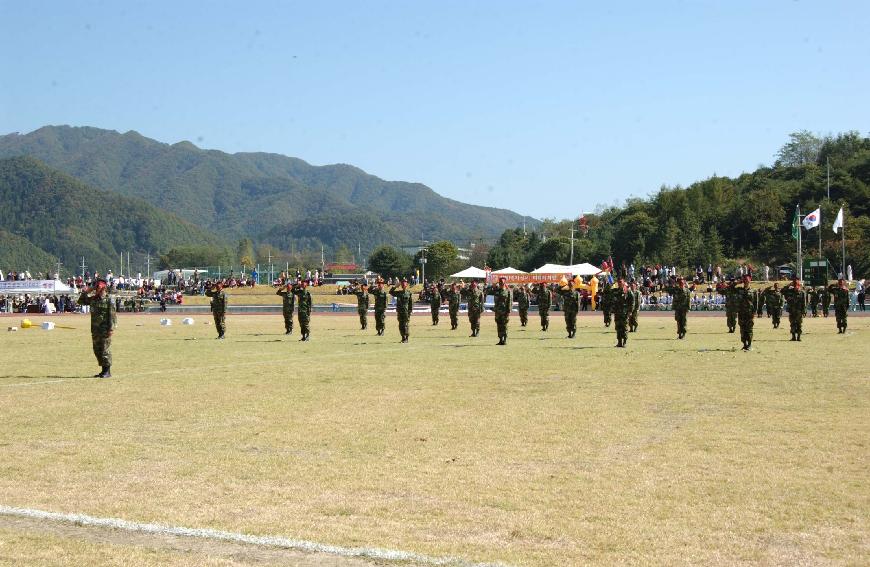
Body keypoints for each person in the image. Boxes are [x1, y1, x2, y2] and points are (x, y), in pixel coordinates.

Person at [78, 279, 117, 377]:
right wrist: (88, 290)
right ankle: (103, 371)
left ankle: (107, 371)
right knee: (97, 350)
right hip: (95, 329)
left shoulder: (109, 300)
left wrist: (111, 329)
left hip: (105, 329)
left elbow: (112, 316)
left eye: (98, 287)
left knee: (105, 350)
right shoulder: (94, 299)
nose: (97, 290)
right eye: (96, 288)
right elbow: (81, 301)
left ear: (104, 288)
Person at [734, 275, 760, 351]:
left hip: (749, 313)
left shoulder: (754, 291)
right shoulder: (739, 290)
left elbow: (756, 302)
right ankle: (744, 344)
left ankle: (749, 344)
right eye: (744, 281)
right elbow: (729, 288)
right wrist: (737, 282)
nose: (746, 282)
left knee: (749, 329)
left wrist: (754, 312)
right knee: (742, 329)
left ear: (750, 281)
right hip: (741, 312)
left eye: (747, 281)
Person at [486, 276, 512, 345]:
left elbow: (510, 302)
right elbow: (487, 292)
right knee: (499, 325)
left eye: (502, 283)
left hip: (504, 311)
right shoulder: (496, 290)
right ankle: (500, 339)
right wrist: (492, 285)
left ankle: (505, 340)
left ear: (504, 283)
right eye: (500, 283)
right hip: (497, 311)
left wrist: (508, 311)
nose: (501, 284)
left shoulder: (508, 291)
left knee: (504, 325)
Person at [782, 277, 806, 341]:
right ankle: (793, 337)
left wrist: (804, 311)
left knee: (799, 324)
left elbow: (804, 303)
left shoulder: (802, 293)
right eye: (794, 285)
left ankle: (798, 337)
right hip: (791, 310)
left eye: (797, 285)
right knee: (792, 323)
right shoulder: (789, 291)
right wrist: (788, 285)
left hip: (799, 311)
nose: (796, 286)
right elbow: (782, 291)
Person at [390, 278, 414, 343]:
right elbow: (391, 292)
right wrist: (395, 286)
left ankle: (406, 338)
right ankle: (403, 337)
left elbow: (411, 303)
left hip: (406, 312)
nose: (403, 284)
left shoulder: (409, 293)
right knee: (401, 325)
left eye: (405, 283)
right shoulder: (399, 293)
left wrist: (410, 311)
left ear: (407, 284)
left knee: (405, 325)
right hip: (400, 311)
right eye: (402, 283)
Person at [610, 278, 632, 347]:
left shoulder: (627, 291)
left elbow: (632, 301)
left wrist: (630, 311)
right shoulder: (615, 291)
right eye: (618, 282)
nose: (619, 283)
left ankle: (624, 342)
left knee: (624, 327)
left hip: (624, 313)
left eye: (620, 282)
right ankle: (619, 342)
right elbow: (609, 293)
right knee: (618, 328)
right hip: (617, 313)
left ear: (623, 283)